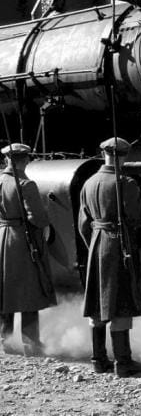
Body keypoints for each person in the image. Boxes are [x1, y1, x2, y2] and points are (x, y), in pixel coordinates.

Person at [79, 137, 141, 377]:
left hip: (96, 244)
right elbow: (139, 217)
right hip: (119, 244)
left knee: (98, 302)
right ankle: (123, 362)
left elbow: (83, 224)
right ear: (124, 155)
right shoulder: (126, 182)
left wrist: (95, 246)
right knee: (121, 302)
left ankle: (98, 360)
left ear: (103, 154)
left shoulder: (88, 183)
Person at [0, 143, 55, 356]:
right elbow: (38, 218)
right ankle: (31, 343)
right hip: (21, 241)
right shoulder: (25, 184)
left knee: (6, 292)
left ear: (7, 160)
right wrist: (46, 220)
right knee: (29, 290)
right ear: (25, 160)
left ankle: (5, 340)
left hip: (2, 236)